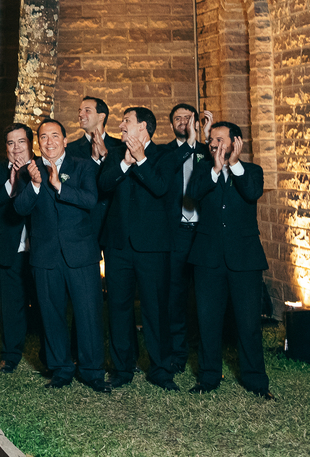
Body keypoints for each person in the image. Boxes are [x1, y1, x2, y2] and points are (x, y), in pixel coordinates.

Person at [13, 120, 108, 392]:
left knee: (88, 313)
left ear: (65, 140)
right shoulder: (28, 171)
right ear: (37, 143)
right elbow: (19, 208)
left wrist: (59, 186)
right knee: (51, 314)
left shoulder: (83, 166)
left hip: (81, 255)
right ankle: (61, 369)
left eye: (55, 136)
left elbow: (91, 200)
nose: (49, 141)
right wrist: (34, 184)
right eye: (43, 137)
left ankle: (92, 372)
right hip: (45, 256)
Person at [187, 122, 272, 399]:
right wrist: (215, 168)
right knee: (208, 322)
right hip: (207, 259)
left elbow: (252, 193)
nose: (213, 143)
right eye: (211, 139)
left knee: (248, 325)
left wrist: (234, 164)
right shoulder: (202, 170)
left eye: (219, 139)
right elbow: (193, 197)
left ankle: (256, 381)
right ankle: (208, 377)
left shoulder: (252, 171)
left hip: (244, 260)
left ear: (235, 142)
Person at [98, 106, 179, 390]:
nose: (120, 125)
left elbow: (161, 188)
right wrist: (124, 163)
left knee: (155, 309)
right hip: (118, 246)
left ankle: (160, 369)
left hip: (153, 248)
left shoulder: (165, 157)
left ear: (143, 127)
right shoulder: (115, 154)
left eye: (126, 121)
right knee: (118, 307)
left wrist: (141, 160)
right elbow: (104, 185)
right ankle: (122, 369)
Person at [0, 123, 35, 373]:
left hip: (41, 250)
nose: (16, 148)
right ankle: (10, 355)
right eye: (10, 143)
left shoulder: (41, 167)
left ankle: (51, 354)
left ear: (30, 144)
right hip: (9, 248)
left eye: (21, 142)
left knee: (45, 304)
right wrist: (9, 185)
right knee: (10, 305)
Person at [162, 103, 212, 374]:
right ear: (171, 125)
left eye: (187, 118)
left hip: (204, 234)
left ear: (195, 121)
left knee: (206, 297)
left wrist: (203, 139)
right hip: (177, 233)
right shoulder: (164, 153)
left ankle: (207, 355)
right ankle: (178, 354)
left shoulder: (207, 151)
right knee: (176, 296)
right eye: (177, 119)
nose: (182, 122)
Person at [67, 96, 121, 243]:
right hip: (85, 221)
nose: (80, 114)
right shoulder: (70, 150)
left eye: (87, 110)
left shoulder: (120, 147)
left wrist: (106, 157)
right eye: (79, 111)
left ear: (101, 116)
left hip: (114, 222)